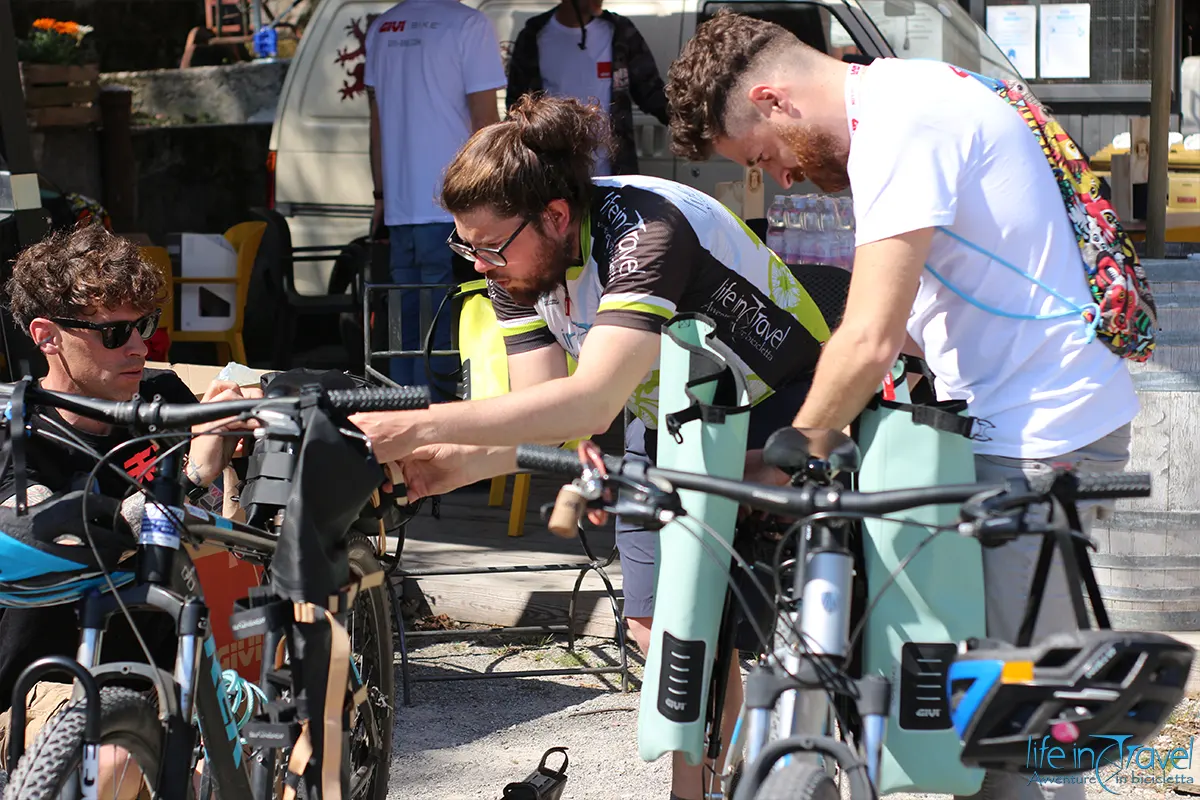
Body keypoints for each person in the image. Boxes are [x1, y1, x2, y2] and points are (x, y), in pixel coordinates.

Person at [664, 12, 1139, 800]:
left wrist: (791, 453)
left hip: (1038, 433)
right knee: (974, 713)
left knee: (1015, 732)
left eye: (763, 156)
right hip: (1017, 417)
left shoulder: (898, 122)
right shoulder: (905, 99)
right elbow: (915, 320)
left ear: (775, 100)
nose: (781, 179)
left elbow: (871, 338)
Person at [350, 94, 832, 800]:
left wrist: (421, 423)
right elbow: (540, 418)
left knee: (727, 625)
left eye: (488, 246)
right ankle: (709, 786)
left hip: (779, 397)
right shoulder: (519, 263)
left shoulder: (644, 230)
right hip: (672, 409)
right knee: (658, 626)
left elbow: (591, 400)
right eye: (465, 245)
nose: (478, 265)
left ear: (554, 216)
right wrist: (445, 469)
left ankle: (746, 777)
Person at [0, 223, 256, 798]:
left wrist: (244, 435)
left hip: (172, 666)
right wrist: (190, 475)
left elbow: (227, 533)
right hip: (49, 681)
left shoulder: (165, 399)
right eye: (116, 332)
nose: (140, 347)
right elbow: (50, 540)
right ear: (47, 336)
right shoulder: (18, 435)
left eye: (145, 325)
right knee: (111, 764)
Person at [365, 0, 506, 400]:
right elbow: (486, 125)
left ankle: (399, 414)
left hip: (400, 207)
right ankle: (437, 422)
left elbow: (376, 123)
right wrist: (498, 194)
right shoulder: (469, 24)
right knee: (445, 326)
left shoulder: (384, 27)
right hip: (458, 205)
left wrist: (380, 194)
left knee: (402, 329)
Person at [505, 0, 669, 176]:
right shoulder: (534, 36)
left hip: (613, 174)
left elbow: (650, 91)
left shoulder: (620, 31)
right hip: (553, 175)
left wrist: (686, 121)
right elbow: (517, 108)